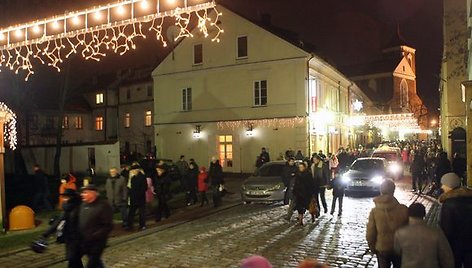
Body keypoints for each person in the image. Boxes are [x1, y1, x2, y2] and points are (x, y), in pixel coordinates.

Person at [394, 203, 454, 268]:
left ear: (408, 214)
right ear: (424, 214)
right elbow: (446, 256)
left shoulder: (399, 233)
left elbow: (397, 251)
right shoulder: (436, 233)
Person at [366, 179, 408, 268]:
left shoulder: (375, 212)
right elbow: (409, 231)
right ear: (393, 190)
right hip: (398, 248)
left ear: (381, 190)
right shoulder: (403, 209)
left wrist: (373, 247)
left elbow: (370, 232)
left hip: (382, 248)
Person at [39, 189, 82, 267]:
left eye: (66, 197)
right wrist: (46, 234)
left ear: (72, 197)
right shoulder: (67, 209)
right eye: (63, 197)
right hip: (70, 238)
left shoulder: (77, 208)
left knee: (74, 259)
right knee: (74, 260)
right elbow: (58, 222)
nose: (64, 199)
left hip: (77, 238)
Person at [439, 172, 472, 268]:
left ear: (449, 185)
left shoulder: (449, 204)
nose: (442, 187)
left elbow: (446, 229)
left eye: (443, 184)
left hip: (455, 246)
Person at [78, 185, 113, 268]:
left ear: (93, 193)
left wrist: (94, 236)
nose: (82, 195)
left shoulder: (103, 206)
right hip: (84, 241)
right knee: (96, 263)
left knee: (91, 264)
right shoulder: (83, 205)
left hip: (97, 243)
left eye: (85, 193)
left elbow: (108, 226)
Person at [127, 164, 148, 230]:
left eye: (134, 170)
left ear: (137, 170)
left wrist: (138, 195)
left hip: (140, 198)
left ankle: (142, 225)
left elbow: (144, 188)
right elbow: (131, 188)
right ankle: (130, 225)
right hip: (133, 199)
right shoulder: (133, 178)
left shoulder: (142, 177)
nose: (133, 172)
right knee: (131, 213)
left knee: (141, 213)